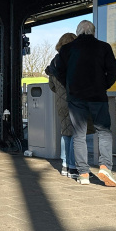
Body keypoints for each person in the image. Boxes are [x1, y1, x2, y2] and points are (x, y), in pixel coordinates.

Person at [54, 20, 116, 186]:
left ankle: (83, 173)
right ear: (93, 32)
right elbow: (114, 70)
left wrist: (70, 86)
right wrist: (103, 85)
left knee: (79, 134)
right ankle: (105, 167)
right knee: (103, 131)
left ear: (78, 32)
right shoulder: (104, 47)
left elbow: (58, 70)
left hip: (76, 98)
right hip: (98, 96)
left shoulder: (67, 49)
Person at [46, 33, 78, 178]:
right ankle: (72, 166)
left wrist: (60, 93)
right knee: (76, 133)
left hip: (60, 102)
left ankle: (65, 165)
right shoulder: (73, 59)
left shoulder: (54, 62)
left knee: (65, 132)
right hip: (74, 100)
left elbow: (51, 86)